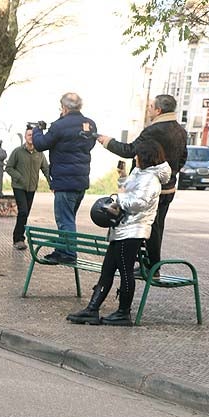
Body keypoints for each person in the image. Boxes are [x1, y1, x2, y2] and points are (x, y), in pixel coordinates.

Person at [66, 140, 170, 326]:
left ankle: (124, 313)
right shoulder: (140, 173)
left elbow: (139, 203)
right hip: (122, 227)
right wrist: (122, 177)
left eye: (137, 155)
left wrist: (117, 200)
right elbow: (129, 189)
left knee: (125, 271)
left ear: (146, 156)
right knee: (107, 270)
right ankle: (92, 309)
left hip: (133, 231)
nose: (135, 158)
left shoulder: (151, 179)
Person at [97, 94, 187, 278]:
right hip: (168, 187)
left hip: (148, 186)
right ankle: (151, 265)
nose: (149, 109)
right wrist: (171, 174)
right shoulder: (181, 130)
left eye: (151, 106)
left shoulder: (153, 130)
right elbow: (183, 157)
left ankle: (149, 267)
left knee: (143, 226)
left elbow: (130, 150)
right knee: (157, 226)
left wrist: (107, 141)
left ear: (159, 110)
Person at [31, 92, 98, 263]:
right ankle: (61, 249)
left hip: (64, 182)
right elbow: (89, 145)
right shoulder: (90, 124)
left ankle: (68, 254)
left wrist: (37, 130)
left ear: (65, 107)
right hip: (81, 182)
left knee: (65, 220)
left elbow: (40, 144)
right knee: (68, 218)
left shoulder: (59, 126)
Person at [5, 127, 51, 250]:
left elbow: (46, 169)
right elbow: (9, 167)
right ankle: (19, 239)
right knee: (23, 211)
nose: (31, 137)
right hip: (19, 186)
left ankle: (18, 237)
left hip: (32, 188)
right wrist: (19, 177)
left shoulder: (40, 153)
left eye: (32, 135)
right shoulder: (18, 151)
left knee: (25, 213)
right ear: (25, 137)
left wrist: (51, 184)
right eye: (29, 135)